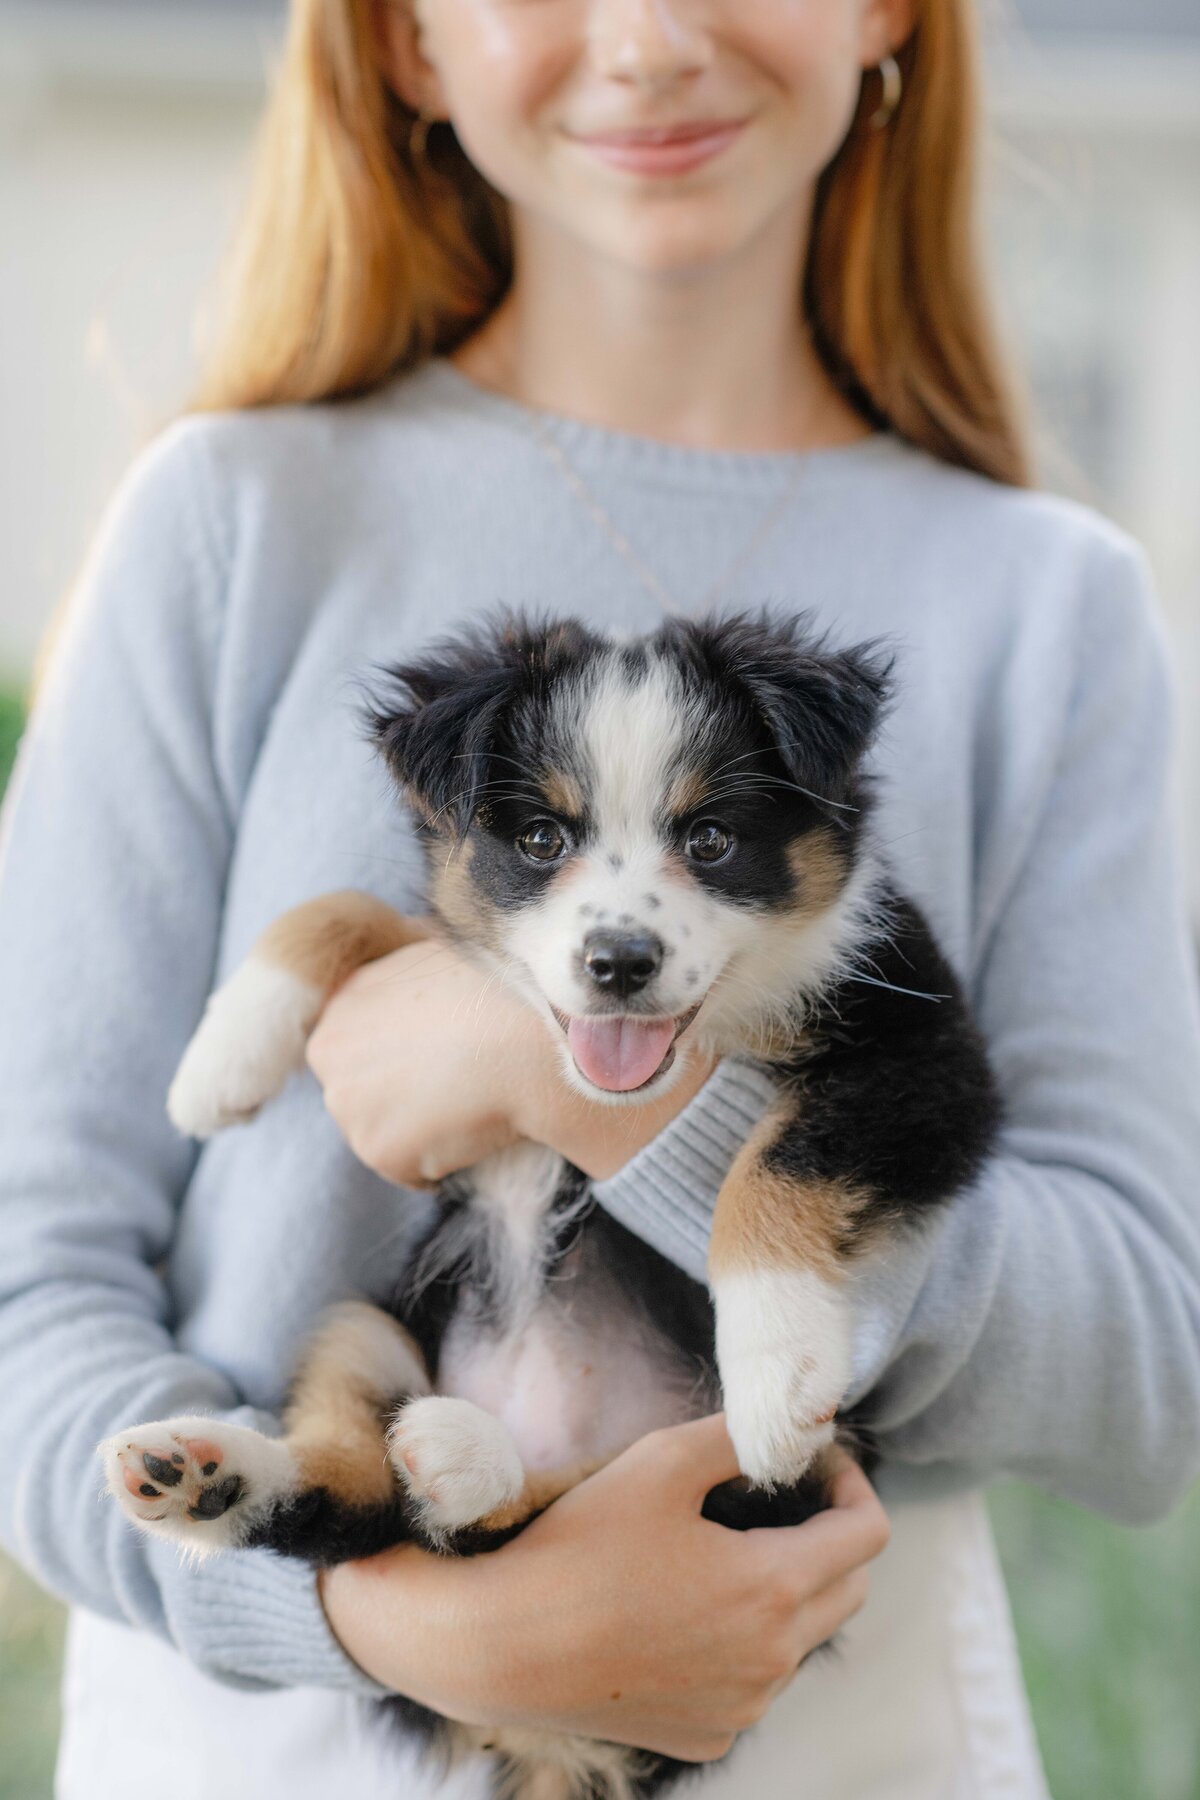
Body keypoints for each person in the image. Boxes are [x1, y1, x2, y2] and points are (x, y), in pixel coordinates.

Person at [2, 0, 1199, 1794]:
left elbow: (1141, 1376)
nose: (645, 40)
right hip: (257, 1735)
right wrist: (394, 1625)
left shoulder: (1051, 603)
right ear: (406, 42)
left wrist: (571, 1082)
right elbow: (27, 1275)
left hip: (828, 1732)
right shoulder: (235, 519)